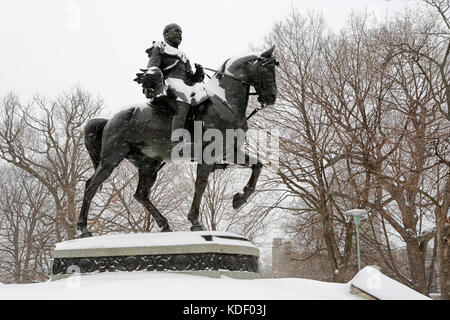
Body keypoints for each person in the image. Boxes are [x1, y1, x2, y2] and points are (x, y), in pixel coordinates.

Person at [135, 23, 205, 145]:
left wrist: (198, 75)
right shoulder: (160, 47)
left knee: (203, 96)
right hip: (167, 85)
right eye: (176, 31)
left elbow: (189, 80)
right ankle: (176, 141)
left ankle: (199, 135)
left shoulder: (183, 55)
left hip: (183, 86)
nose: (179, 34)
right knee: (183, 99)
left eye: (181, 32)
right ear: (166, 34)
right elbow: (152, 67)